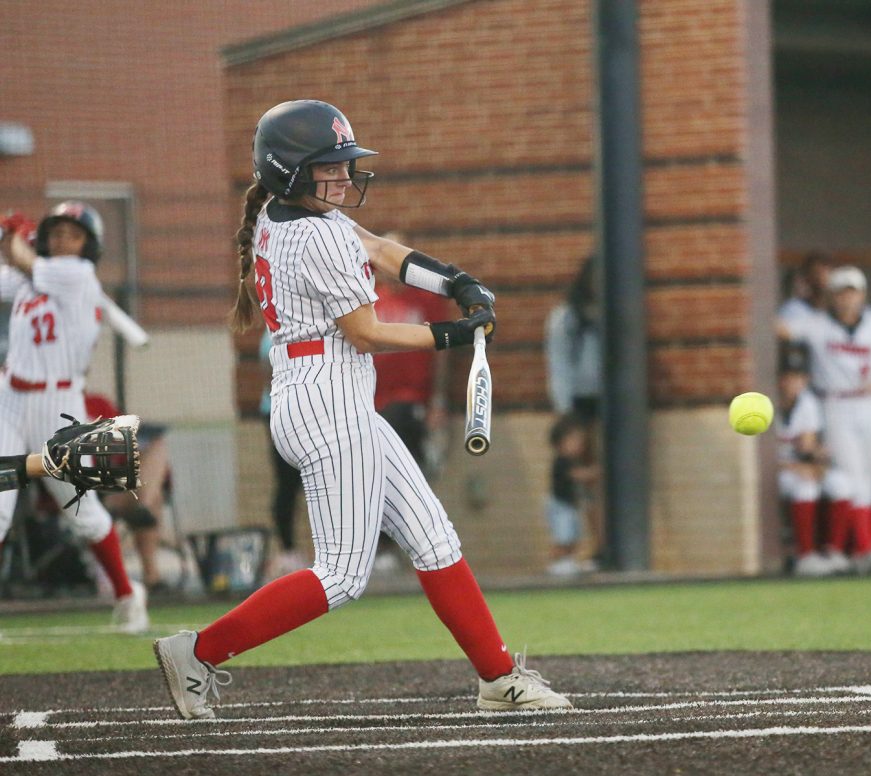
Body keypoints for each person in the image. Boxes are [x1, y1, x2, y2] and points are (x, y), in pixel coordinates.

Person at [152, 100, 569, 720]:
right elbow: (367, 331)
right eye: (331, 166)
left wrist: (455, 282)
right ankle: (198, 652)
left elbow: (376, 247)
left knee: (432, 538)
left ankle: (497, 676)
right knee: (343, 575)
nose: (345, 176)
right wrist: (455, 334)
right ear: (291, 170)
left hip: (320, 392)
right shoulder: (312, 233)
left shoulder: (287, 213)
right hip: (328, 401)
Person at [0, 203, 148, 632]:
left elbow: (25, 260)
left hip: (57, 410)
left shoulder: (78, 277)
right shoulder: (31, 277)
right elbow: (14, 267)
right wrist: (8, 240)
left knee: (81, 512)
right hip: (9, 400)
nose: (63, 240)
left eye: (73, 234)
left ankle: (126, 592)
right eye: (56, 233)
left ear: (90, 246)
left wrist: (17, 242)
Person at [777, 266, 871, 572]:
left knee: (867, 479)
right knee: (852, 476)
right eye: (841, 292)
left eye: (852, 292)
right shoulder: (817, 324)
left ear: (862, 295)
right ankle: (865, 549)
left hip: (870, 404)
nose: (847, 299)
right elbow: (782, 329)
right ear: (831, 296)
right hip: (836, 403)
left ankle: (859, 549)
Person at [371, 231, 452, 476]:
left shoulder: (427, 299)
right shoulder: (368, 299)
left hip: (412, 399)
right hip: (372, 403)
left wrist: (438, 401)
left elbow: (442, 353)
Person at [544, 256, 603, 562]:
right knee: (576, 481)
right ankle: (571, 548)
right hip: (578, 404)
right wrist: (565, 411)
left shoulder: (610, 314)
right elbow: (559, 364)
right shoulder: (568, 317)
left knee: (601, 482)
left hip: (609, 403)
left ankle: (602, 545)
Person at [85, 392, 172, 593]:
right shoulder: (50, 405)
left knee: (156, 444)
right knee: (151, 500)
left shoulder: (98, 403)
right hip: (85, 484)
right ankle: (139, 505)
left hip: (118, 479)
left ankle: (139, 503)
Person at [775, 346, 837, 577]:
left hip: (792, 467)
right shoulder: (764, 404)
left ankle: (832, 552)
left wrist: (817, 464)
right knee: (804, 488)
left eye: (798, 377)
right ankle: (805, 556)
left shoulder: (807, 403)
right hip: (771, 471)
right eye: (788, 377)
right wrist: (797, 467)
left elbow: (808, 446)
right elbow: (760, 457)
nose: (793, 383)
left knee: (835, 484)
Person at [258, 329, 306, 577]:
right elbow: (271, 379)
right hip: (282, 412)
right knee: (287, 482)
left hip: (303, 410)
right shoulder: (274, 336)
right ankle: (288, 550)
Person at [544, 413, 599, 577]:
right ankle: (556, 562)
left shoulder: (573, 460)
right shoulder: (562, 461)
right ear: (561, 442)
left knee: (574, 534)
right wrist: (595, 472)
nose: (579, 446)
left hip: (570, 505)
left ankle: (568, 561)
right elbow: (578, 475)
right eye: (574, 441)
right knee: (563, 535)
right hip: (560, 505)